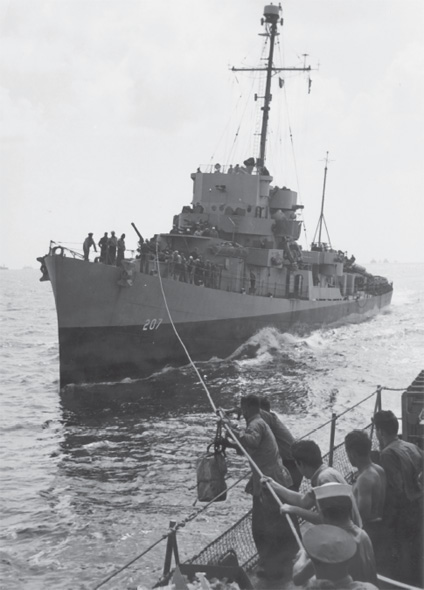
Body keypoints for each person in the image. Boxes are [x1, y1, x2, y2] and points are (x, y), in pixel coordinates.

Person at [225, 394, 297, 580]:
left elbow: (251, 440)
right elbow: (249, 447)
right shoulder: (260, 422)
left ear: (247, 408)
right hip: (268, 476)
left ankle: (276, 568)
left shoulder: (256, 423)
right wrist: (229, 441)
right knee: (271, 522)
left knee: (266, 525)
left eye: (242, 408)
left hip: (269, 479)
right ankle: (279, 561)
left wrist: (233, 429)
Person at [373, 410, 423, 586]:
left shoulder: (387, 454)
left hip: (404, 512)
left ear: (380, 431)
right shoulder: (411, 446)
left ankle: (404, 584)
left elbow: (397, 489)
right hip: (418, 505)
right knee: (415, 549)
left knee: (403, 550)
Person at [292, 483, 377, 587]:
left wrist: (303, 554)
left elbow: (297, 578)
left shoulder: (329, 544)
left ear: (323, 515)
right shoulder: (363, 535)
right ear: (349, 509)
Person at [264, 440, 358, 525]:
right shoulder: (325, 473)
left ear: (300, 464)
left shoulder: (324, 480)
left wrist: (294, 510)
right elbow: (303, 502)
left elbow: (325, 520)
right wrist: (273, 485)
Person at [344, 430, 387, 570]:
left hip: (369, 531)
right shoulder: (379, 469)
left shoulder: (364, 479)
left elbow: (362, 516)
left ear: (353, 454)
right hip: (382, 527)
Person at [298, 524, 378, 590]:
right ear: (348, 560)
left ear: (314, 564)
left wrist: (303, 555)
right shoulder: (369, 588)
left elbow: (297, 578)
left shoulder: (310, 587)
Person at [258, 397, 302, 490]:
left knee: (290, 492)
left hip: (292, 463)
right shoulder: (267, 423)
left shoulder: (270, 419)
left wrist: (236, 410)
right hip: (288, 461)